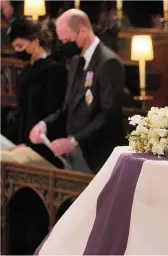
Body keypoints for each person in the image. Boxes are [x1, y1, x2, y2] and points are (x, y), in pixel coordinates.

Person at [29, 9, 125, 174]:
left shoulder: (108, 63)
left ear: (83, 31)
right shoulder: (75, 62)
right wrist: (44, 124)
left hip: (99, 155)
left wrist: (74, 141)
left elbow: (108, 114)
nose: (65, 44)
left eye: (67, 39)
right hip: (75, 155)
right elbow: (68, 107)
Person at [4, 18, 66, 168]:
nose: (18, 51)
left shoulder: (54, 71)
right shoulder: (26, 71)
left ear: (35, 42)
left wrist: (30, 145)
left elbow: (55, 113)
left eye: (20, 46)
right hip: (22, 146)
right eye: (15, 47)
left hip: (42, 148)